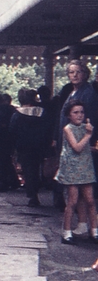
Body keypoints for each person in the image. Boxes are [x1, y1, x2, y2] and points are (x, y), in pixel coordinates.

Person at [56, 100, 98, 244]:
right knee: (72, 201)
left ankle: (94, 230)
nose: (79, 115)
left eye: (81, 112)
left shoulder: (85, 127)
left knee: (90, 200)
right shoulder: (68, 129)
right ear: (69, 115)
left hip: (85, 166)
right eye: (75, 112)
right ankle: (66, 232)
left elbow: (84, 148)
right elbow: (77, 147)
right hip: (73, 168)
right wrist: (88, 135)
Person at [9, 88, 47, 207]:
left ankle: (32, 195)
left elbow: (12, 131)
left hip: (24, 147)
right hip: (39, 146)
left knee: (28, 171)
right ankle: (38, 187)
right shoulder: (42, 112)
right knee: (37, 169)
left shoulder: (17, 114)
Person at [0, 93, 18, 191]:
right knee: (6, 160)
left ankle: (0, 183)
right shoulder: (12, 110)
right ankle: (13, 181)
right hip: (9, 138)